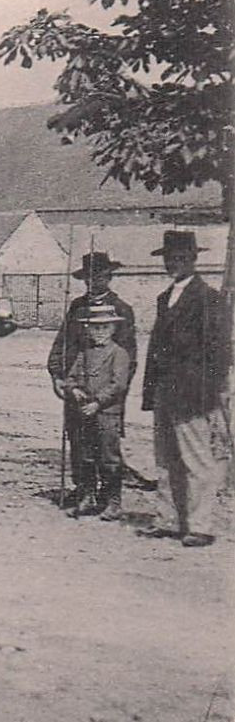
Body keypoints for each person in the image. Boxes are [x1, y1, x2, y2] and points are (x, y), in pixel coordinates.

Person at [138, 231, 229, 548]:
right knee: (165, 458)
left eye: (180, 258)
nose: (173, 263)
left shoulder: (208, 298)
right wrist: (150, 390)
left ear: (193, 259)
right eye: (169, 258)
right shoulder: (165, 297)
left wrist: (211, 393)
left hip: (193, 392)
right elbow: (154, 348)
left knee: (197, 459)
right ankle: (168, 519)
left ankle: (200, 525)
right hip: (165, 390)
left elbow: (219, 352)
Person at [52, 305, 133, 520]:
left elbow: (118, 384)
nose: (99, 333)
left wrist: (98, 402)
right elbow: (71, 377)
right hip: (84, 413)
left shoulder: (119, 354)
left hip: (106, 414)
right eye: (94, 328)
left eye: (104, 328)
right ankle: (88, 497)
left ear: (113, 329)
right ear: (88, 330)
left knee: (109, 458)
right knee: (86, 456)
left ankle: (112, 501)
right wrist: (74, 389)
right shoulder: (84, 353)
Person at [47, 251, 136, 401]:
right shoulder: (78, 306)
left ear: (109, 277)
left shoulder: (121, 308)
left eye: (99, 276)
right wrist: (57, 376)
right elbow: (62, 342)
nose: (93, 281)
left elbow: (129, 353)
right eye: (89, 277)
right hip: (75, 386)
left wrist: (112, 393)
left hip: (107, 389)